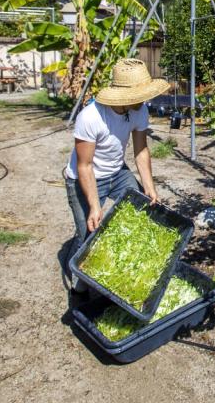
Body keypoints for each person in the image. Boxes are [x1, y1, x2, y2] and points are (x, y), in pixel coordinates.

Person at [63, 59, 171, 282]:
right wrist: (94, 206)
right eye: (140, 95)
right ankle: (76, 282)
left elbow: (141, 151)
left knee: (142, 211)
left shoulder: (139, 110)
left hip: (118, 172)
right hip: (86, 177)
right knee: (88, 234)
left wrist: (150, 188)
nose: (145, 99)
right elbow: (85, 166)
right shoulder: (91, 117)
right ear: (125, 96)